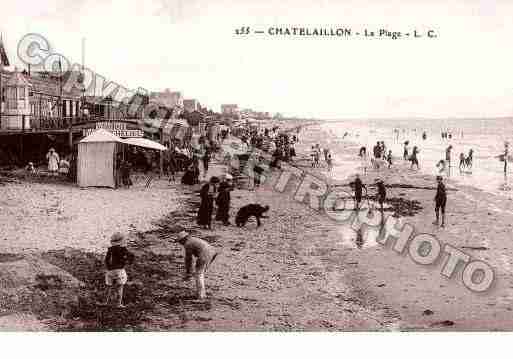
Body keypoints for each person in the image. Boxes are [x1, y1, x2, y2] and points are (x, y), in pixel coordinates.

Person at [176, 231, 218, 299]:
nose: (180, 243)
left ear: (183, 239)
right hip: (212, 251)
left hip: (205, 254)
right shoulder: (193, 239)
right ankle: (202, 293)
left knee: (198, 274)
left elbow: (188, 259)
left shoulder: (188, 244)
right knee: (200, 273)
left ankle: (201, 295)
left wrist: (188, 272)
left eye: (180, 241)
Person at [103, 233, 135, 308]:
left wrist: (108, 267)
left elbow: (106, 260)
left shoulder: (110, 249)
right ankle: (118, 304)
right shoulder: (123, 249)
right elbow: (131, 256)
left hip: (110, 271)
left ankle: (106, 302)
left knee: (109, 287)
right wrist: (128, 262)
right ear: (122, 241)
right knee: (120, 287)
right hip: (119, 270)